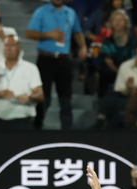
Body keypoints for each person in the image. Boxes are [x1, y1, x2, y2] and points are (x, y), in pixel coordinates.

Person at [26, 0, 88, 130]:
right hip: (45, 58)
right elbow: (29, 33)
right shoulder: (41, 11)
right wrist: (48, 35)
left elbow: (77, 31)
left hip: (64, 59)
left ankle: (67, 131)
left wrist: (83, 46)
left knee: (66, 99)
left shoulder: (70, 12)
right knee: (44, 98)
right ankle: (37, 127)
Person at [0, 35, 44, 129]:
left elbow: (40, 95)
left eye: (12, 45)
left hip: (22, 119)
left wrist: (29, 97)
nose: (9, 48)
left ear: (20, 48)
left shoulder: (30, 68)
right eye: (6, 45)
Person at [97, 37, 137, 129]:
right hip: (129, 98)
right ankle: (101, 123)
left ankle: (102, 122)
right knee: (113, 98)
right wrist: (130, 88)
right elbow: (119, 90)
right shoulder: (125, 66)